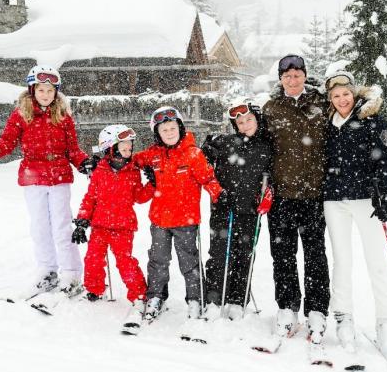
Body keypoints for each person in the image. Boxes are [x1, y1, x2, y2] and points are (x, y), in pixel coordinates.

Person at [0, 65, 96, 296]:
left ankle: (72, 273)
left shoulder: (64, 117)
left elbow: (73, 149)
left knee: (62, 226)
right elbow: (6, 143)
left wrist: (84, 162)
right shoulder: (21, 115)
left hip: (59, 177)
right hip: (33, 177)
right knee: (39, 227)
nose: (45, 94)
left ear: (56, 92)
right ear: (32, 90)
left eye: (50, 90)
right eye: (41, 90)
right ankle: (47, 270)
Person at [322, 71, 387, 357]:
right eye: (336, 95)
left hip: (366, 198)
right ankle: (344, 318)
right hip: (334, 200)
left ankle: (386, 322)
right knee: (342, 260)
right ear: (330, 99)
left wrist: (386, 194)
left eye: (345, 93)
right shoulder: (327, 125)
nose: (342, 99)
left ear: (354, 94)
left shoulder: (370, 119)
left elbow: (384, 159)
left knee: (376, 260)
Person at [262, 54, 330, 342]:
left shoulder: (321, 105)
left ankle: (316, 311)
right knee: (283, 256)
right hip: (282, 196)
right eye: (287, 75)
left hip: (314, 194)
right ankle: (287, 307)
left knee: (315, 256)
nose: (292, 79)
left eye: (297, 74)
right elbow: (259, 147)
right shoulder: (270, 109)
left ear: (304, 76)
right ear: (280, 79)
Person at [133, 106, 223, 322]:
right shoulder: (153, 155)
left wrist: (220, 195)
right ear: (157, 134)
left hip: (186, 221)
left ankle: (195, 299)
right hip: (159, 220)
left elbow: (208, 179)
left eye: (173, 128)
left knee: (189, 263)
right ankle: (155, 296)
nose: (170, 133)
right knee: (158, 261)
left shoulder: (193, 154)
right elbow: (131, 161)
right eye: (164, 130)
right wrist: (113, 159)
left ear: (181, 128)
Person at [71, 124, 154, 330]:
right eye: (123, 145)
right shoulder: (99, 171)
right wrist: (82, 221)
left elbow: (139, 197)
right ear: (110, 148)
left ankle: (139, 294)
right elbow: (90, 198)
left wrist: (152, 184)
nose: (129, 149)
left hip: (123, 226)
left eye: (130, 145)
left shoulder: (133, 170)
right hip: (99, 225)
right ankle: (94, 289)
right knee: (92, 259)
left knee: (124, 262)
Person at [201, 99, 273, 320]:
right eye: (240, 122)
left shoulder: (267, 147)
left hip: (250, 210)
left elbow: (274, 176)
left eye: (249, 119)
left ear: (257, 119)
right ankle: (214, 299)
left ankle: (237, 300)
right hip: (224, 207)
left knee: (244, 255)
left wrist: (269, 194)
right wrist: (207, 149)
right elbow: (202, 158)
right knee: (220, 254)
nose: (245, 125)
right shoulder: (225, 142)